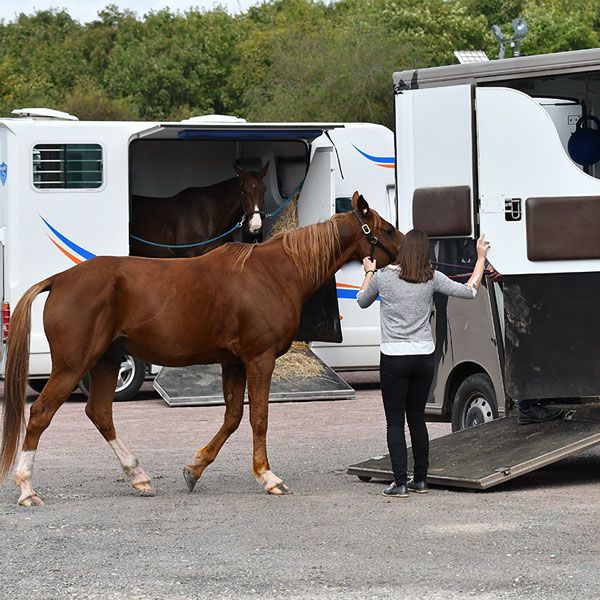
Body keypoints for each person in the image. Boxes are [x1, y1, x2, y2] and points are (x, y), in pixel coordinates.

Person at [356, 229, 490, 498]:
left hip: (394, 357)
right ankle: (420, 480)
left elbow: (361, 301)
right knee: (417, 419)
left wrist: (369, 271)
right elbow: (470, 291)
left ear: (402, 249)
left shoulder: (384, 277)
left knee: (395, 422)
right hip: (423, 357)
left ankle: (400, 483)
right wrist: (480, 258)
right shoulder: (432, 278)